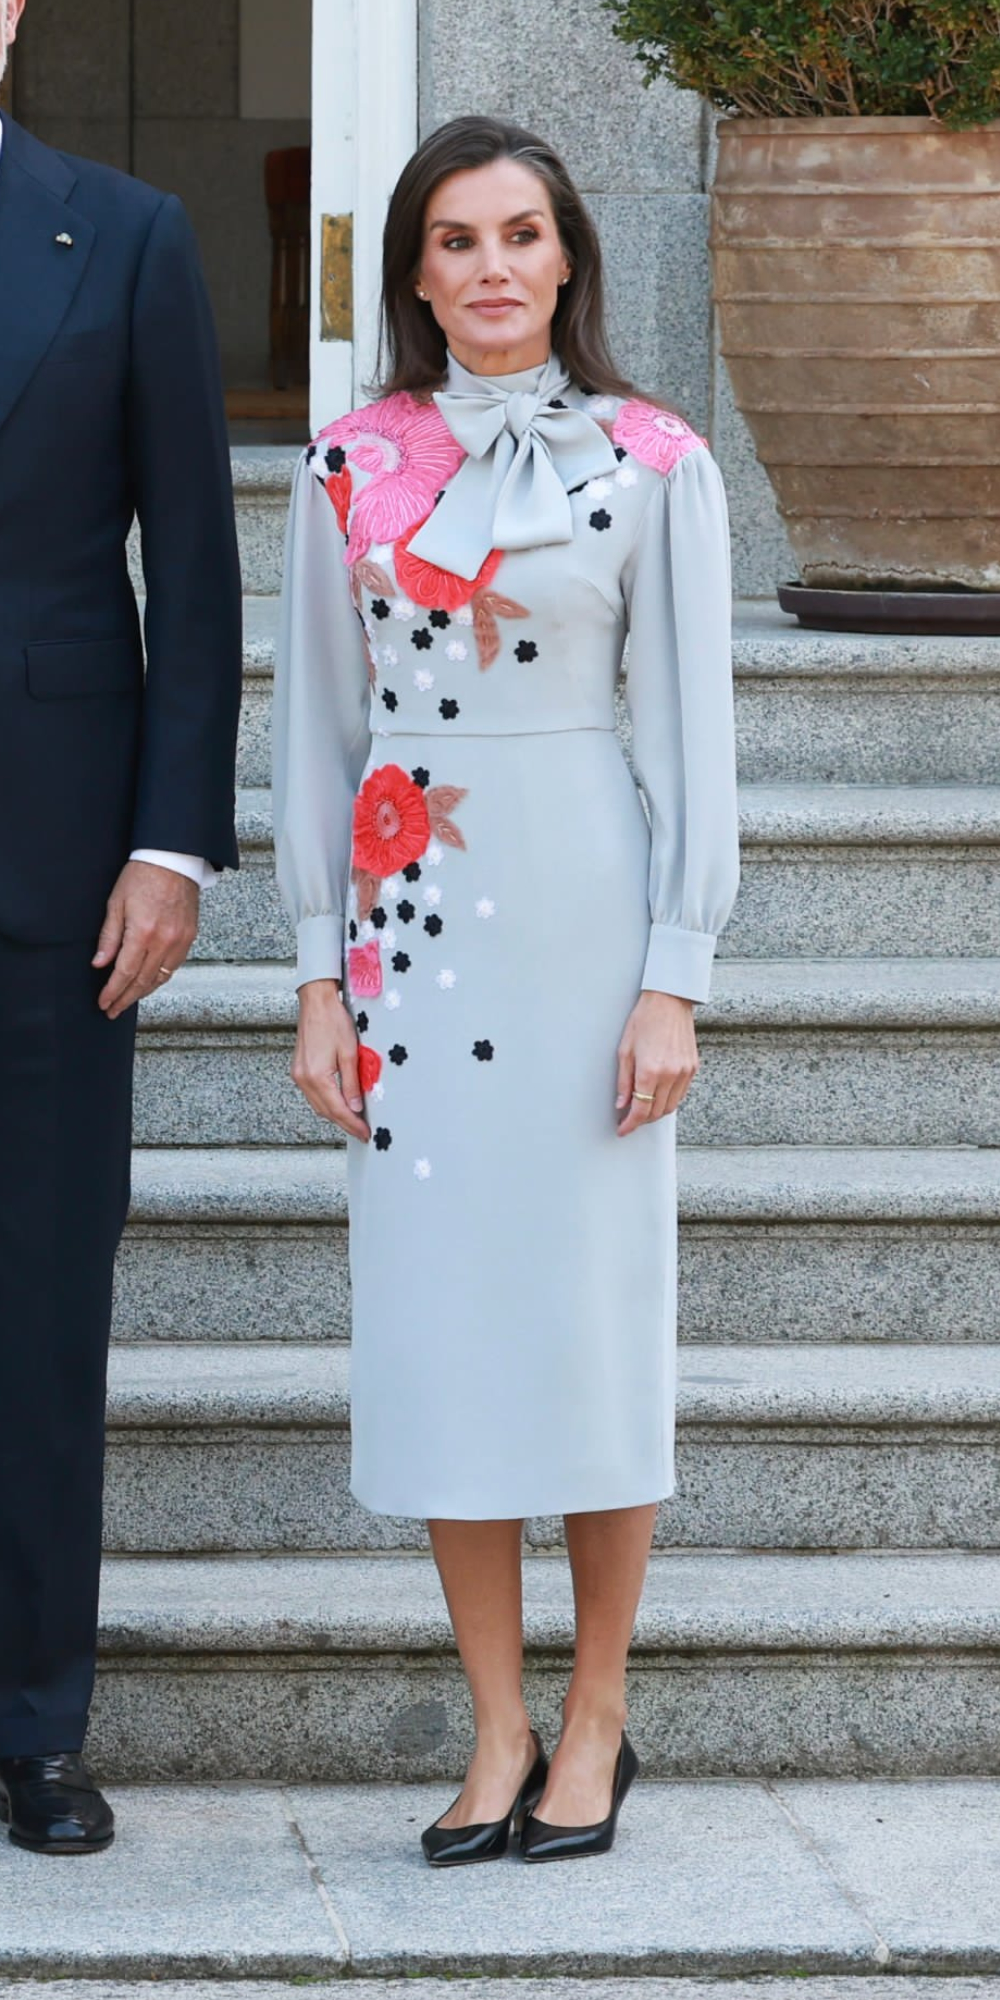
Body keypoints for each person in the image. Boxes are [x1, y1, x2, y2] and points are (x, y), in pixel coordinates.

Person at [273, 113, 739, 1866]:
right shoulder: (343, 465)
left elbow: (692, 733)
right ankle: (493, 1729)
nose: (491, 268)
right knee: (446, 1340)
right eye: (457, 239)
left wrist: (672, 980)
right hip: (407, 944)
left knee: (591, 1333)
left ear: (568, 259)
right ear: (413, 268)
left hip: (583, 929)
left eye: (520, 235)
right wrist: (319, 978)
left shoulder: (654, 458)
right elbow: (313, 733)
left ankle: (599, 1719)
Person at [0, 0, 242, 1856]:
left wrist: (171, 844)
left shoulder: (128, 232)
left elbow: (194, 549)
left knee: (39, 1304)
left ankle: (34, 1725)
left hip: (54, 871)